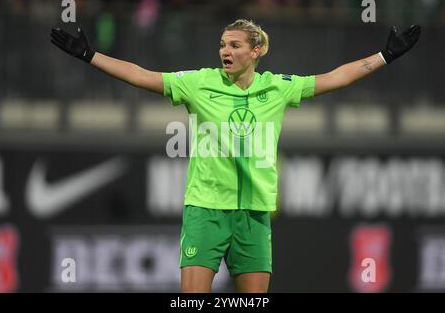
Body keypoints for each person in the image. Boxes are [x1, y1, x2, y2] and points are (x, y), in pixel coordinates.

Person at [50, 19, 421, 293]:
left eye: (234, 45)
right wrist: (90, 55)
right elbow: (141, 75)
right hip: (206, 208)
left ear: (255, 51)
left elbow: (335, 78)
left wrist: (385, 56)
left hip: (255, 214)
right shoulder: (198, 83)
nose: (225, 51)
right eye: (223, 44)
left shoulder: (278, 88)